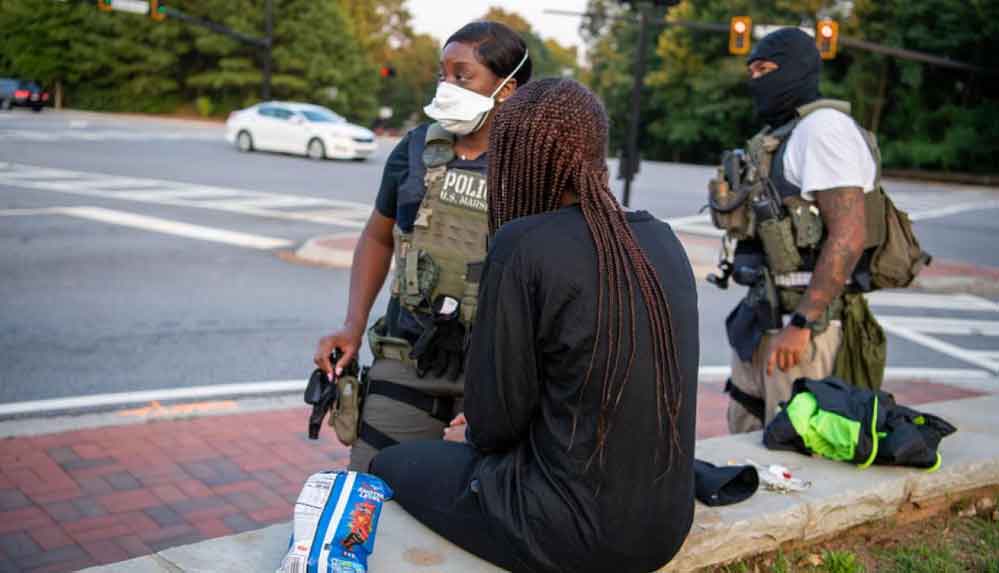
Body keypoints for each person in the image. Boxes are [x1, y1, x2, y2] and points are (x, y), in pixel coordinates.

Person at [370, 78, 700, 573]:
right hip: (664, 527)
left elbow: (492, 427)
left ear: (520, 156)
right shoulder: (663, 240)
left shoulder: (523, 243)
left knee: (390, 464)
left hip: (563, 533)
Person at [313, 21, 531, 471]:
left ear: (507, 88)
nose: (446, 85)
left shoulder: (533, 164)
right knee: (373, 484)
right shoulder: (414, 148)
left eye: (462, 74)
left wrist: (516, 386)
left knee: (493, 502)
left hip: (495, 365)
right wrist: (352, 326)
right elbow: (377, 236)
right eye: (442, 74)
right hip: (408, 351)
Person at [710, 28, 883, 433]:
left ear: (796, 70)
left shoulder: (824, 130)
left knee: (792, 450)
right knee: (747, 433)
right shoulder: (783, 133)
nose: (756, 79)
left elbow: (848, 236)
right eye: (751, 70)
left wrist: (802, 324)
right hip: (763, 315)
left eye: (765, 69)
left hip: (801, 328)